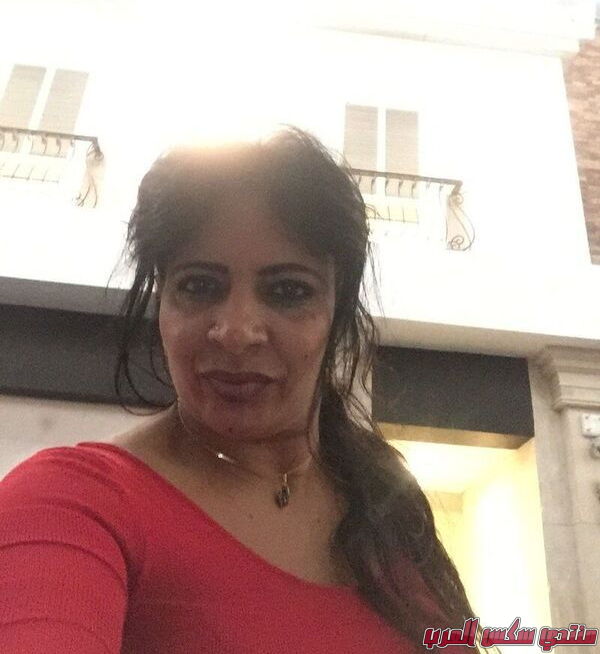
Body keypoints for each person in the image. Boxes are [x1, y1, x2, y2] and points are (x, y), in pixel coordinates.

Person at [0, 127, 480, 653]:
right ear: (162, 299)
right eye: (199, 286)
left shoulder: (383, 498)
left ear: (336, 310)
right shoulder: (73, 503)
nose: (236, 332)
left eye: (288, 291)